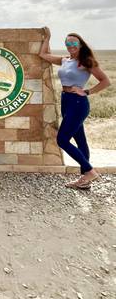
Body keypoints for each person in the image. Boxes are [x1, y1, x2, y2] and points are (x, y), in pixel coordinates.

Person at [40, 28, 111, 189]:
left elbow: (105, 81)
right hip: (66, 101)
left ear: (80, 44)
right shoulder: (65, 60)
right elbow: (43, 55)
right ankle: (85, 180)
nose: (70, 45)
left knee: (62, 140)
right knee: (80, 140)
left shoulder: (86, 61)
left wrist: (86, 91)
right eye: (67, 43)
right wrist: (47, 38)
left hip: (78, 103)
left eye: (73, 42)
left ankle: (90, 172)